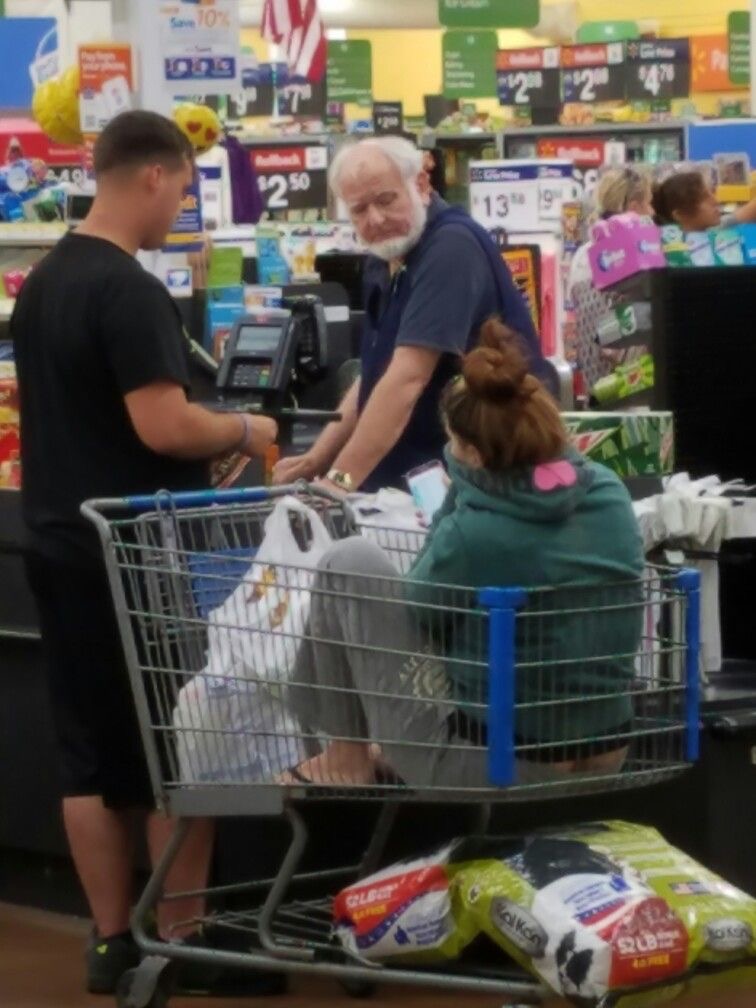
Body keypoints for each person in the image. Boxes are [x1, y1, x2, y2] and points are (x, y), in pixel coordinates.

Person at [11, 111, 277, 994]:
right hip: (134, 554)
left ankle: (110, 942)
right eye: (191, 185)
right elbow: (163, 424)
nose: (188, 204)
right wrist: (248, 425)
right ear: (155, 176)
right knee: (183, 750)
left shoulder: (43, 280)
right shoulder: (126, 289)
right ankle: (183, 943)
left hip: (53, 538)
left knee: (90, 757)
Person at [283, 319, 644, 788]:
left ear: (472, 453)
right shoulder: (610, 492)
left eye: (452, 444)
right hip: (608, 752)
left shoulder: (473, 533)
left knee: (348, 562)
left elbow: (418, 621)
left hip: (503, 765)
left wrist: (459, 495)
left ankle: (345, 755)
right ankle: (359, 754)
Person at [273, 135, 546, 495]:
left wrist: (338, 482)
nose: (376, 219)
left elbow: (406, 379)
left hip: (475, 484)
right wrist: (318, 459)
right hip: (408, 491)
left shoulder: (451, 248)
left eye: (386, 200)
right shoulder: (385, 258)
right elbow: (377, 375)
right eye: (359, 209)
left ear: (420, 184)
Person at [567, 166, 654, 389]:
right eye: (649, 203)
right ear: (634, 207)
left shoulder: (582, 254)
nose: (652, 212)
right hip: (629, 388)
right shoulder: (632, 254)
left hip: (594, 385)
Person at [652, 168, 756, 232]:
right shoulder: (675, 256)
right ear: (679, 215)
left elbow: (745, 213)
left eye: (712, 192)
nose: (716, 201)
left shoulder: (716, 229)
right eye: (704, 198)